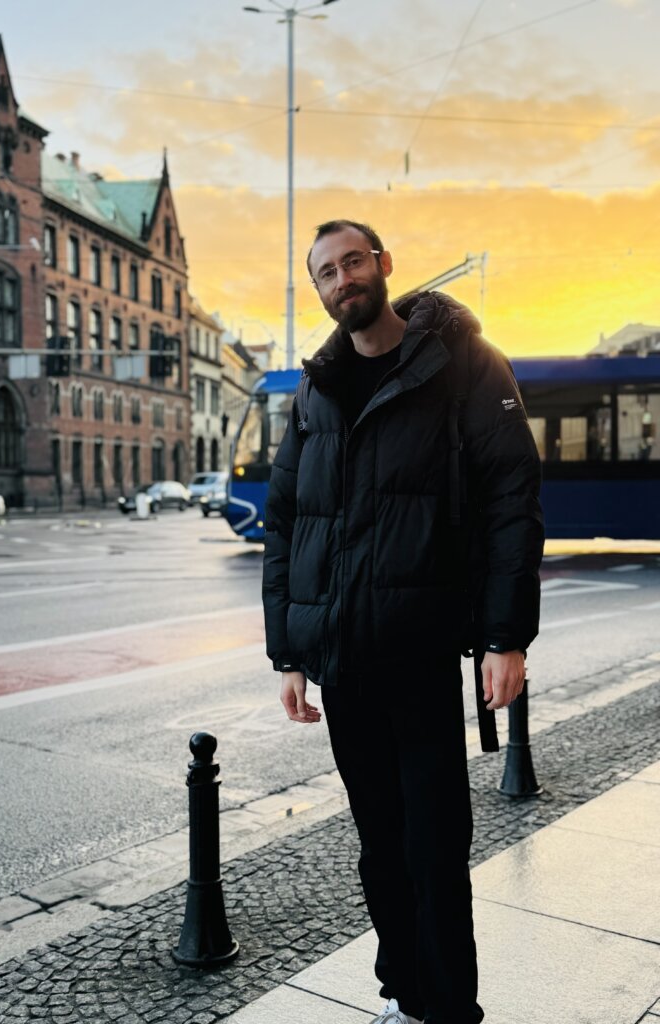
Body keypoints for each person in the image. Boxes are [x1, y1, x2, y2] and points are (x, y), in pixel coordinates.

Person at [262, 219, 544, 1024]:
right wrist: (290, 649)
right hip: (345, 666)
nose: (342, 279)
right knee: (380, 850)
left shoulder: (463, 365)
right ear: (318, 289)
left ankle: (451, 1008)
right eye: (325, 272)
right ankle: (407, 996)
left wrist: (505, 637)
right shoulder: (315, 387)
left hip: (420, 655)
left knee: (434, 849)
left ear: (383, 265)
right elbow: (287, 519)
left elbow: (510, 503)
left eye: (353, 261)